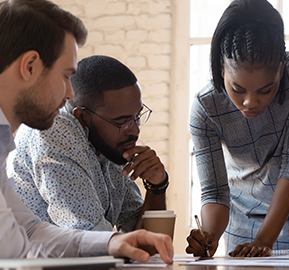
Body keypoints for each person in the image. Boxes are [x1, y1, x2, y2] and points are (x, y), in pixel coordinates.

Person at [0, 0, 172, 262]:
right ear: (30, 66)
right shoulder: (57, 128)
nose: (70, 93)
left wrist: (113, 241)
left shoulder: (3, 144)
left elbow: (29, 231)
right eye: (66, 75)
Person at [186, 0, 289, 257]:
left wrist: (264, 239)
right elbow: (214, 192)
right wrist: (209, 236)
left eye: (266, 90)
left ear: (281, 70)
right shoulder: (205, 107)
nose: (250, 102)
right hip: (244, 216)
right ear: (221, 68)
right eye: (237, 89)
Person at [7, 55, 168, 232]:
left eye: (137, 116)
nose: (135, 131)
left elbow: (147, 241)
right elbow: (93, 240)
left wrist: (157, 185)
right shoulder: (53, 131)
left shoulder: (111, 145)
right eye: (122, 121)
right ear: (81, 117)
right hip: (22, 257)